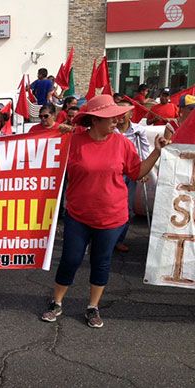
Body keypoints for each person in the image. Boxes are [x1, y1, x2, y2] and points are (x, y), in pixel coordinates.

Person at [41, 94, 167, 328]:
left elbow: (137, 173)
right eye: (111, 117)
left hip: (111, 217)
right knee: (70, 259)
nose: (117, 121)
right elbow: (43, 151)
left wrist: (157, 152)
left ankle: (93, 307)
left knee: (101, 262)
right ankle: (56, 302)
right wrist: (56, 130)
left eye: (117, 117)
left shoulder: (122, 143)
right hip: (78, 215)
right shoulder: (73, 141)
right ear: (95, 120)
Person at [115, 99, 150, 253]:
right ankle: (105, 237)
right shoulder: (110, 129)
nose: (121, 115)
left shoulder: (138, 130)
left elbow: (145, 149)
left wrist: (144, 170)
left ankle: (119, 239)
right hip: (115, 172)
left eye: (124, 112)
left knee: (127, 208)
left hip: (132, 172)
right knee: (111, 206)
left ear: (131, 113)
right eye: (118, 111)